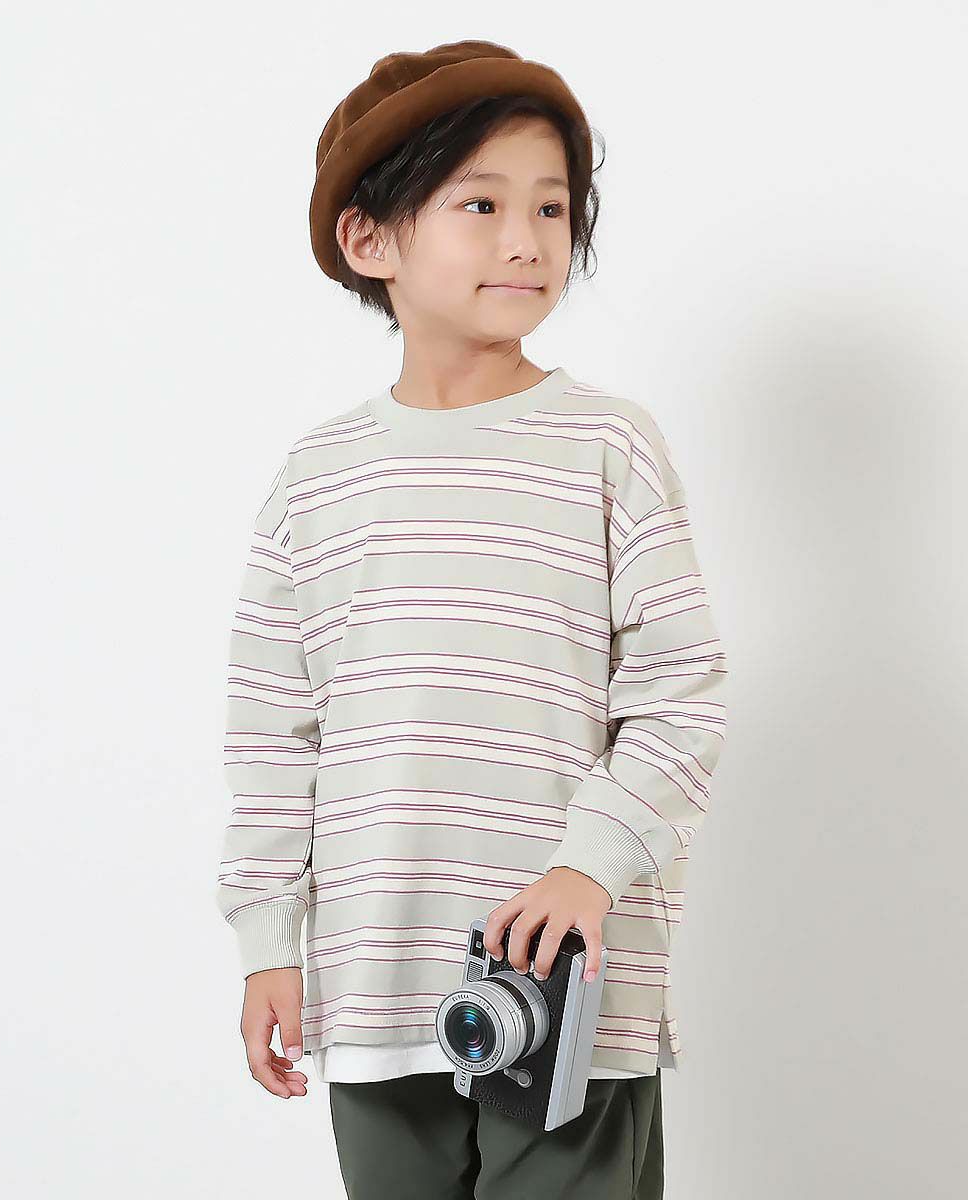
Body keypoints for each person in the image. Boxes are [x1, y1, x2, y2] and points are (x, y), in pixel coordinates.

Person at [214, 39, 729, 1199]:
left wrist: (588, 869)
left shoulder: (607, 447)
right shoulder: (316, 479)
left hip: (566, 983)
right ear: (370, 240)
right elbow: (273, 737)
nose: (528, 240)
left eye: (552, 206)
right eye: (482, 203)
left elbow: (679, 695)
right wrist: (267, 945)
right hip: (375, 980)